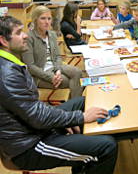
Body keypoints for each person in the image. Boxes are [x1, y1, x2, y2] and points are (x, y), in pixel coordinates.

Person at [0, 16, 117, 174]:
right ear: (4, 41)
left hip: (32, 128)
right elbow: (37, 117)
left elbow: (32, 109)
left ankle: (80, 151)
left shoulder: (9, 63)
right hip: (28, 146)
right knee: (107, 146)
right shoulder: (7, 75)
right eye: (19, 32)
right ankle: (84, 152)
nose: (26, 35)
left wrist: (67, 118)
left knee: (81, 101)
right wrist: (79, 118)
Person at [22, 6, 83, 99]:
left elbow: (57, 56)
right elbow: (30, 67)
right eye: (43, 18)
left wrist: (58, 70)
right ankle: (75, 106)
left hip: (55, 66)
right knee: (69, 81)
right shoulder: (29, 38)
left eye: (49, 18)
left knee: (78, 73)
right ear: (35, 20)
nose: (47, 22)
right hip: (40, 74)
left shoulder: (52, 34)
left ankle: (75, 104)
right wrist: (51, 77)